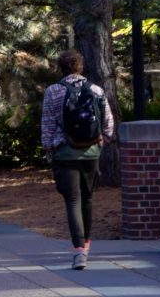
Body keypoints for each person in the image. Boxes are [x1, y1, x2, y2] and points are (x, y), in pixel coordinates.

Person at [41, 49, 110, 271]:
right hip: (91, 153)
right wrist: (101, 142)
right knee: (87, 199)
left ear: (60, 68)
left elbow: (48, 126)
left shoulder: (53, 91)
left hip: (65, 152)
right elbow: (108, 122)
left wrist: (50, 152)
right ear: (80, 66)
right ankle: (86, 245)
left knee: (73, 201)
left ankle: (78, 251)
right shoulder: (96, 90)